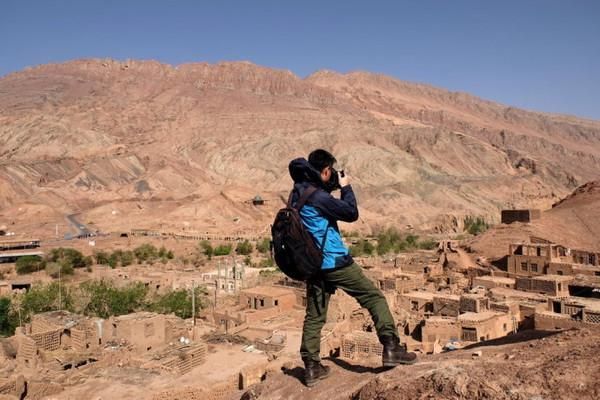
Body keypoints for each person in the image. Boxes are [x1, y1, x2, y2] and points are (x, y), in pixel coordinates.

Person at [288, 149, 417, 387]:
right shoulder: (318, 197)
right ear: (326, 170)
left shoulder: (297, 193)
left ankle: (312, 367)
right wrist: (346, 187)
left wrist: (328, 185)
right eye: (330, 172)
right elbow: (351, 213)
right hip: (334, 262)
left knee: (315, 316)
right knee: (374, 298)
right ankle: (392, 348)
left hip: (312, 265)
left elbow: (319, 203)